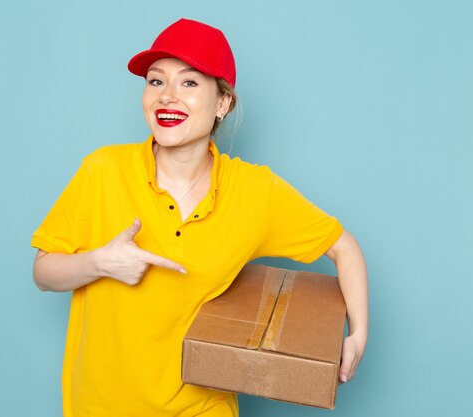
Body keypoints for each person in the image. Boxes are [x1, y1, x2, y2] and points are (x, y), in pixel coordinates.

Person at [31, 18, 368, 417]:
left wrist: (358, 334)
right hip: (100, 406)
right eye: (156, 82)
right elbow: (43, 272)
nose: (167, 96)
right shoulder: (102, 171)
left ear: (223, 103)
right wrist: (99, 262)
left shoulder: (254, 192)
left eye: (189, 83)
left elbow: (342, 246)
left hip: (202, 407)